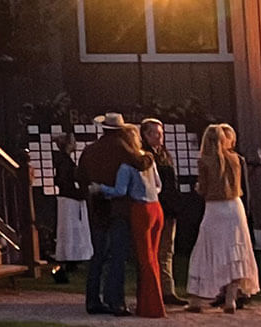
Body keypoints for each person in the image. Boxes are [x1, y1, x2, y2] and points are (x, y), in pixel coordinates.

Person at [92, 124, 165, 318]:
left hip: (141, 209)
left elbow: (120, 191)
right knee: (154, 257)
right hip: (156, 207)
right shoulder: (147, 159)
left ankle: (151, 306)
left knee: (145, 259)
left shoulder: (126, 165)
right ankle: (152, 301)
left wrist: (101, 189)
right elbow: (158, 185)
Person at [186, 124, 260, 314]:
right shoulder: (235, 159)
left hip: (214, 208)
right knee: (235, 252)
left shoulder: (204, 160)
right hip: (234, 207)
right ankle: (230, 299)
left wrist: (198, 188)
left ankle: (196, 300)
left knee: (204, 250)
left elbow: (203, 189)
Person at [76, 113, 133, 316]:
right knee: (117, 256)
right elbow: (140, 163)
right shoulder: (122, 148)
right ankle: (115, 301)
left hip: (97, 207)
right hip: (117, 207)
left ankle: (92, 300)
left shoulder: (90, 150)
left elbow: (79, 176)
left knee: (98, 255)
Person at [139, 118, 186, 306]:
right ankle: (156, 290)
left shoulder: (164, 155)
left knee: (167, 250)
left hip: (169, 208)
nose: (159, 137)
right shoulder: (144, 156)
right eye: (155, 134)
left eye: (161, 134)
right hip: (154, 206)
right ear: (145, 135)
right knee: (154, 250)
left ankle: (167, 289)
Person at [50, 129, 94, 285]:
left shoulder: (64, 160)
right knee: (70, 230)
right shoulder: (64, 162)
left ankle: (72, 258)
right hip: (70, 200)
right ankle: (69, 259)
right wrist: (81, 192)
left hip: (70, 199)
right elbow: (64, 181)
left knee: (72, 230)